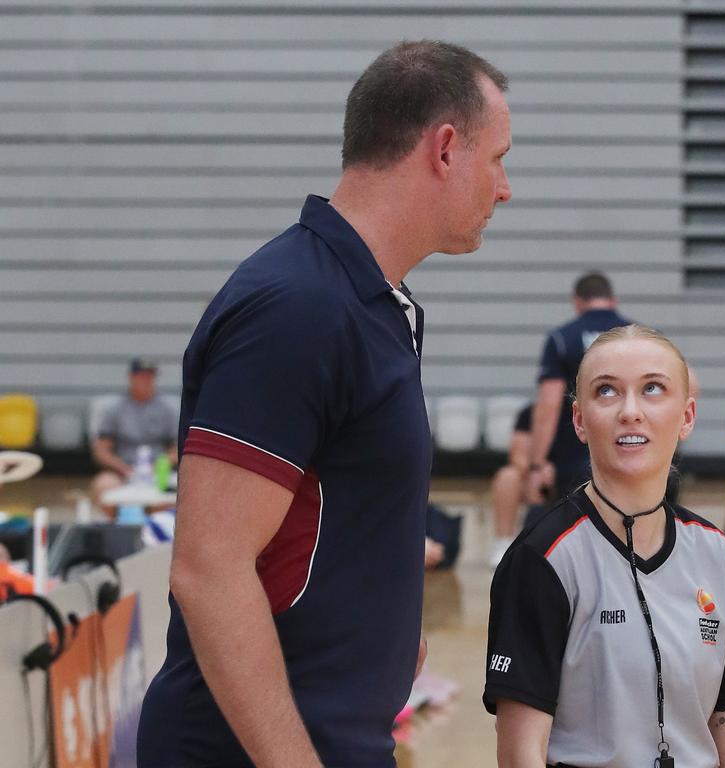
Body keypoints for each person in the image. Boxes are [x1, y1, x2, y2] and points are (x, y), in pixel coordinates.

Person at [137, 41, 511, 768]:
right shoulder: (299, 308)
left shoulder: (366, 303)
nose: (505, 187)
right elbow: (209, 567)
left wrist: (389, 636)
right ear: (444, 149)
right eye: (498, 158)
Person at [485, 324, 725, 768]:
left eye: (653, 389)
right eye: (607, 392)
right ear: (580, 420)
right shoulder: (542, 560)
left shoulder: (718, 554)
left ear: (688, 417)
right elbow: (520, 755)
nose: (630, 411)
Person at [525, 272, 631, 506]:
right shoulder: (640, 337)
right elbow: (687, 384)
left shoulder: (563, 338)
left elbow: (549, 405)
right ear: (613, 300)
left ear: (577, 301)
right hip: (631, 455)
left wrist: (537, 464)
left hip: (575, 462)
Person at [90, 358, 178, 517]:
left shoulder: (167, 409)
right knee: (104, 485)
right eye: (141, 377)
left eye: (149, 377)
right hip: (122, 470)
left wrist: (161, 464)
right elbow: (102, 449)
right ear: (131, 378)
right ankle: (114, 530)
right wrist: (123, 468)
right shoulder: (114, 409)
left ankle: (157, 533)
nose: (146, 381)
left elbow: (177, 448)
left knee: (171, 496)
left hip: (157, 472)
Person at [489, 402, 537, 567]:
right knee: (507, 477)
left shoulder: (586, 412)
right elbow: (518, 456)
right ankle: (504, 543)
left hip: (574, 476)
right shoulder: (530, 413)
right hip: (537, 476)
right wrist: (536, 470)